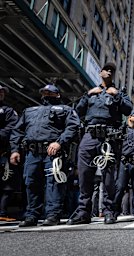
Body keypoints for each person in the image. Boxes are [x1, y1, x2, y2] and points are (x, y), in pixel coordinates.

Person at [67, 62, 132, 225]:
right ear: (100, 72)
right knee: (84, 176)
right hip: (89, 136)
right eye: (106, 69)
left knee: (109, 178)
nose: (109, 72)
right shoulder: (91, 93)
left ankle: (109, 211)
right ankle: (83, 212)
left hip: (109, 137)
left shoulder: (119, 93)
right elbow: (77, 111)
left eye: (112, 70)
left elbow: (129, 109)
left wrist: (116, 95)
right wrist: (88, 94)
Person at [10, 84, 80, 226]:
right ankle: (31, 215)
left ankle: (53, 215)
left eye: (50, 92)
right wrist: (15, 150)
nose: (46, 94)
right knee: (31, 184)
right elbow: (17, 131)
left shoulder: (66, 109)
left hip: (53, 153)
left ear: (58, 95)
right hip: (32, 153)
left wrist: (59, 142)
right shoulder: (29, 111)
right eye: (44, 92)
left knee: (53, 185)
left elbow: (73, 127)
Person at [0, 85, 19, 221]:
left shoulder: (8, 110)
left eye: (2, 92)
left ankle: (2, 212)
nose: (1, 94)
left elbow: (12, 127)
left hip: (3, 152)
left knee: (6, 184)